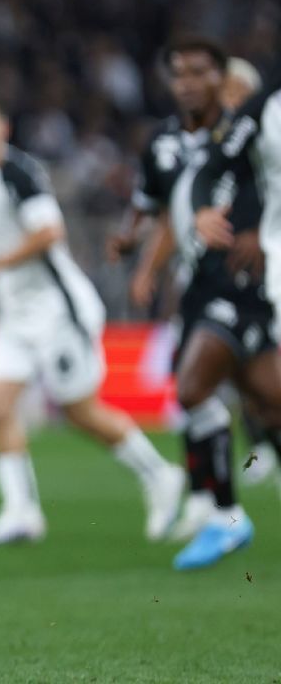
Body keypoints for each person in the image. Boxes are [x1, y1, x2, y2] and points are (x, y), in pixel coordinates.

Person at [0, 97, 183, 549]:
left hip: (58, 310)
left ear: (3, 129)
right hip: (15, 314)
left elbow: (50, 233)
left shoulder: (18, 173)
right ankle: (22, 512)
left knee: (80, 412)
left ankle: (160, 474)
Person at [183, 57, 281, 566]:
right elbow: (212, 172)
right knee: (259, 399)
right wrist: (203, 212)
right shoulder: (257, 118)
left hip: (250, 285)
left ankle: (223, 515)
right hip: (249, 282)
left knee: (263, 401)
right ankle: (223, 515)